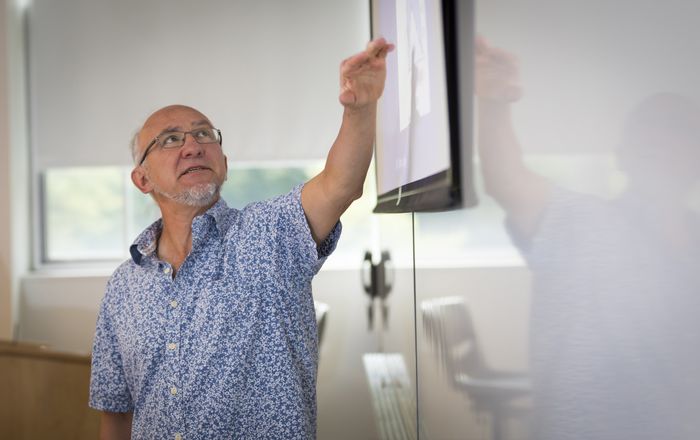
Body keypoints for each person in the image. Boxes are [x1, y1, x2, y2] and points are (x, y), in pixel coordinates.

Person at [89, 38, 394, 440]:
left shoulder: (270, 235)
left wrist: (360, 108)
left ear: (225, 165)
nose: (193, 145)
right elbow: (116, 410)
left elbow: (340, 185)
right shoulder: (123, 287)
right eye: (170, 139)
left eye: (204, 135)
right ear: (142, 179)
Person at [476, 37, 700, 440]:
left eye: (681, 134)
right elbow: (506, 180)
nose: (666, 147)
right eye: (652, 135)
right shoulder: (583, 223)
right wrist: (495, 100)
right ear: (624, 154)